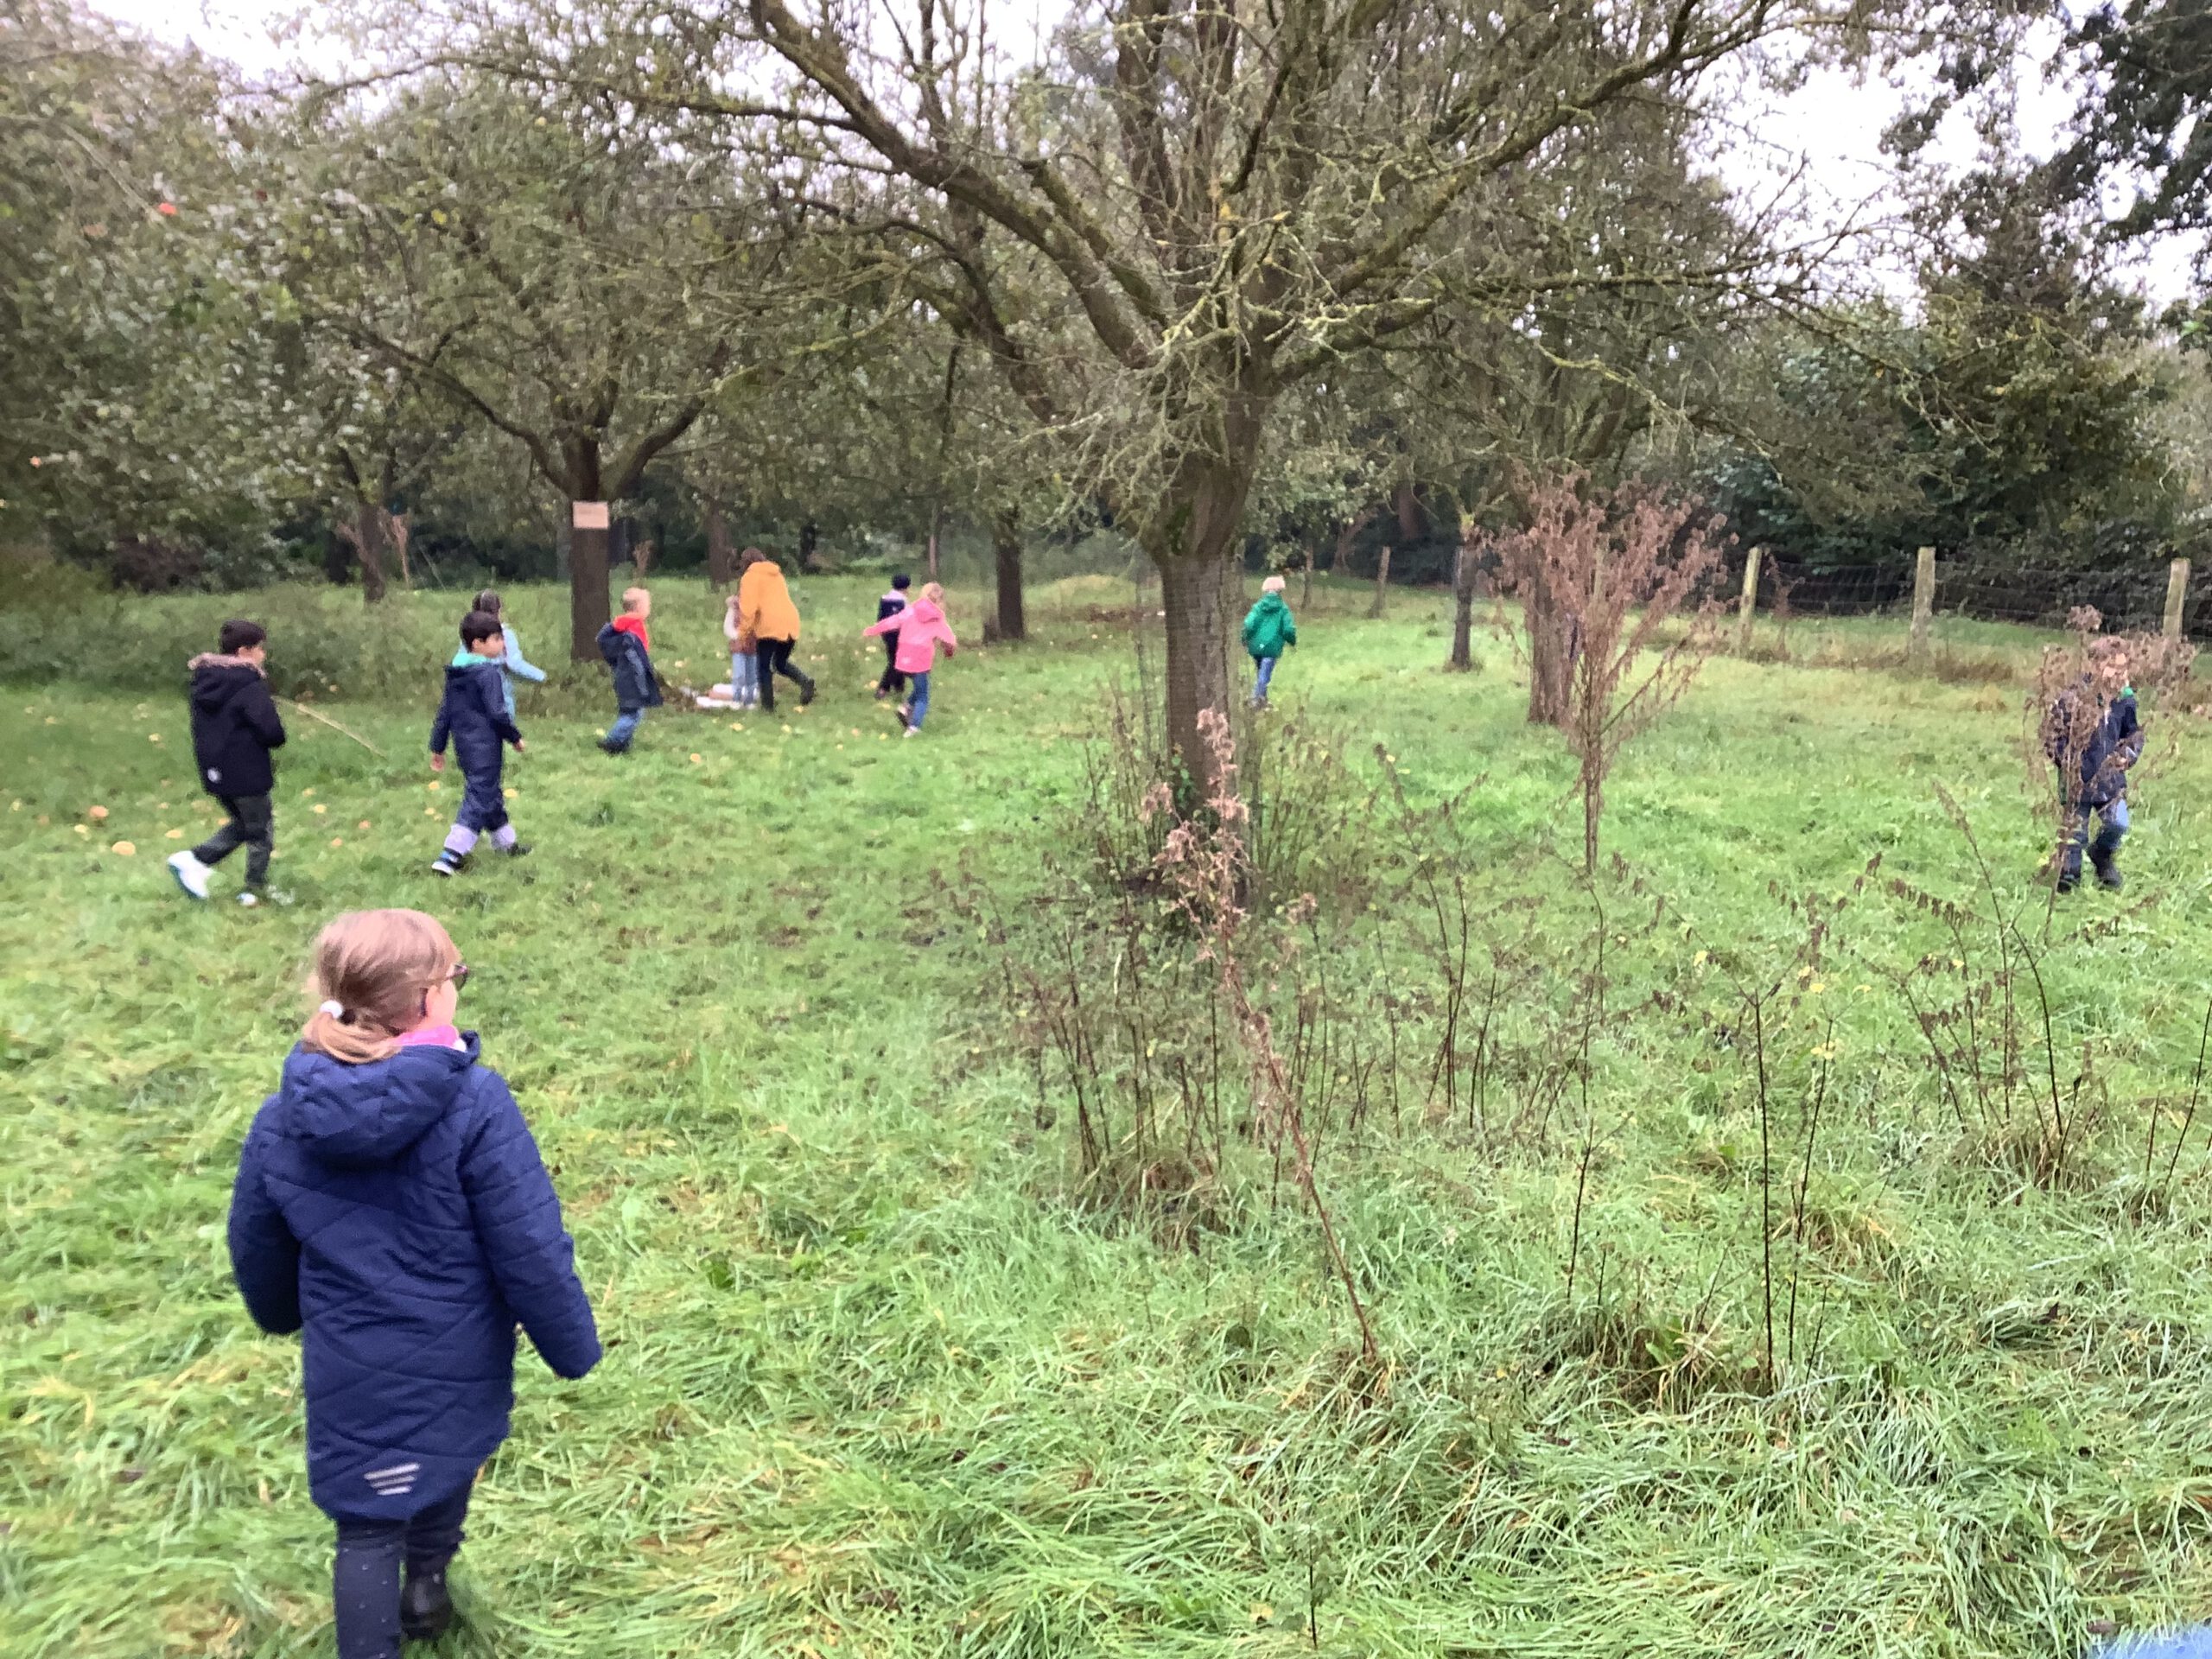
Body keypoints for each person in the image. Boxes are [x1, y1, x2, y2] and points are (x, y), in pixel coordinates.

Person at [227, 908, 599, 1659]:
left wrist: (279, 1311)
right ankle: (426, 1581)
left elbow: (255, 1239)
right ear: (430, 998)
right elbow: (528, 1241)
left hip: (348, 1360)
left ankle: (420, 1595)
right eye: (456, 975)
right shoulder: (475, 1104)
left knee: (365, 1521)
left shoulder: (283, 1118)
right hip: (458, 1351)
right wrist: (572, 1346)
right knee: (444, 1463)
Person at [168, 619, 287, 907]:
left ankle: (198, 863)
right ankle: (248, 886)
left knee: (247, 824)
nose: (263, 654)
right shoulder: (248, 682)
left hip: (215, 769)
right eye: (260, 648)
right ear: (244, 651)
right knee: (260, 830)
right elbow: (271, 732)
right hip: (246, 769)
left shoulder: (206, 679)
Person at [429, 611, 528, 877]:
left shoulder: (457, 673)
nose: (502, 644)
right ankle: (450, 854)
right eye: (496, 639)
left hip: (465, 747)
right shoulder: (488, 673)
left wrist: (438, 746)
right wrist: (514, 737)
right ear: (478, 644)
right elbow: (498, 712)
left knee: (488, 793)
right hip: (485, 748)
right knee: (479, 797)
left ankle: (505, 844)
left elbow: (445, 713)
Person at [2044, 634, 2142, 893]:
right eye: (2113, 667)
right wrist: (2067, 762)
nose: (2119, 674)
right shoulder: (2072, 699)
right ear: (2094, 666)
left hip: (2111, 781)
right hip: (2077, 781)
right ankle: (2067, 881)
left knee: (2118, 823)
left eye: (2124, 668)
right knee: (2075, 837)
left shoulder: (2125, 701)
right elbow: (2052, 735)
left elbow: (2133, 734)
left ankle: (2101, 855)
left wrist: (2128, 755)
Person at [863, 579, 958, 737]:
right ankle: (914, 727)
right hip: (921, 659)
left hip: (903, 658)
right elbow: (950, 640)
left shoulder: (910, 610)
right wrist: (949, 652)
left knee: (921, 687)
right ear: (940, 600)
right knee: (923, 697)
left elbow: (892, 622)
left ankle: (905, 708)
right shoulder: (937, 618)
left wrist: (872, 630)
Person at [736, 548, 815, 711]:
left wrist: (742, 635)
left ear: (746, 562)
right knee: (780, 663)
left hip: (769, 624)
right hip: (791, 620)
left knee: (763, 667)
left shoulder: (750, 577)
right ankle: (805, 681)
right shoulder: (776, 574)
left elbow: (748, 610)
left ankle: (768, 707)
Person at [595, 587, 662, 753]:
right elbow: (636, 660)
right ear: (639, 607)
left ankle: (623, 743)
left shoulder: (622, 627)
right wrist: (643, 684)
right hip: (632, 678)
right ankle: (613, 742)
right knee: (634, 713)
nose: (649, 608)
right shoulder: (634, 627)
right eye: (647, 605)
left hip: (623, 675)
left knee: (629, 711)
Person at [471, 589, 547, 720]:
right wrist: (540, 676)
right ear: (499, 610)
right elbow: (514, 664)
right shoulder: (504, 635)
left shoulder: (469, 637)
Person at [1241, 574, 1299, 708]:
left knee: (1261, 671)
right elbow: (1288, 629)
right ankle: (1255, 699)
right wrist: (1292, 641)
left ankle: (1263, 701)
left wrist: (1244, 638)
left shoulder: (1258, 607)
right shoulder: (1283, 609)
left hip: (1256, 646)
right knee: (1264, 674)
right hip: (1272, 646)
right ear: (1280, 591)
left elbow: (1248, 624)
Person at [874, 573, 912, 702]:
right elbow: (907, 619)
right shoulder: (903, 601)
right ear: (907, 587)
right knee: (896, 662)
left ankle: (899, 686)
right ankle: (883, 688)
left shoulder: (884, 598)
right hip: (899, 633)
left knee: (894, 658)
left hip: (886, 632)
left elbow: (880, 617)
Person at [721, 592, 760, 709]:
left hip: (754, 647)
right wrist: (737, 636)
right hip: (738, 647)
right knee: (739, 674)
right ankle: (736, 699)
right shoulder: (734, 608)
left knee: (752, 676)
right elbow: (728, 627)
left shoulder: (758, 610)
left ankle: (749, 700)